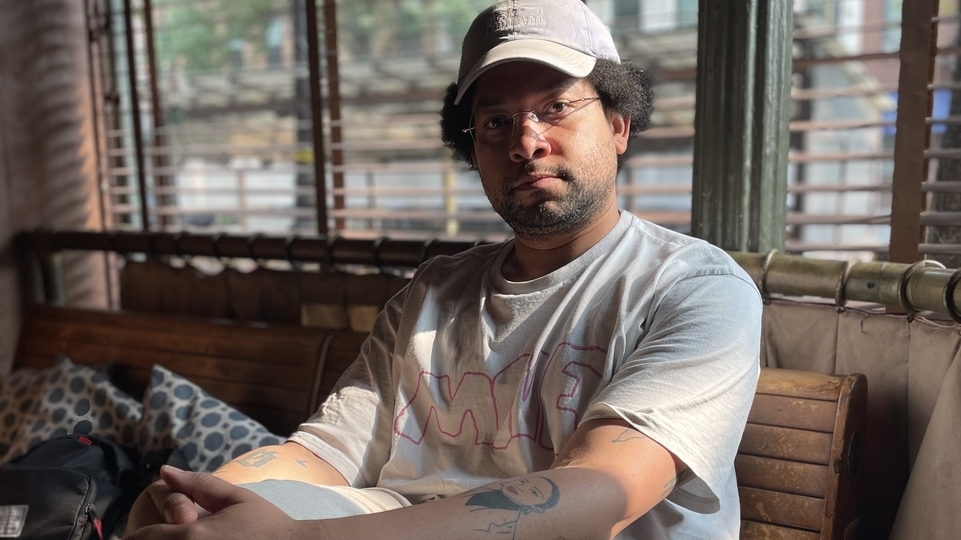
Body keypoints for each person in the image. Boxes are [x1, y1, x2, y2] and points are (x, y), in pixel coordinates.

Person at [124, 0, 762, 538]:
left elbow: (603, 492)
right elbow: (323, 453)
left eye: (557, 107)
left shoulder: (696, 288)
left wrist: (301, 537)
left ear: (619, 125)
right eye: (496, 121)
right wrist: (203, 499)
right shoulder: (434, 292)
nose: (527, 140)